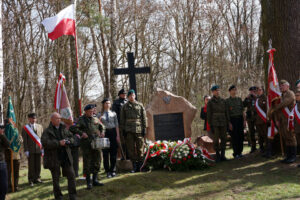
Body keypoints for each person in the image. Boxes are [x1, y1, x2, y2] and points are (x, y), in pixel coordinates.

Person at [41, 112, 77, 200]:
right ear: (52, 120)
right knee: (56, 179)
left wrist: (68, 141)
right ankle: (58, 197)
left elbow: (72, 138)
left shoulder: (64, 128)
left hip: (65, 157)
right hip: (54, 158)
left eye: (60, 118)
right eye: (57, 118)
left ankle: (73, 196)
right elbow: (45, 143)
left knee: (71, 176)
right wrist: (58, 143)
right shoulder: (47, 131)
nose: (59, 120)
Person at [69, 104, 105, 189]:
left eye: (93, 111)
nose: (92, 112)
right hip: (86, 144)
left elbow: (102, 126)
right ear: (86, 111)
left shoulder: (95, 118)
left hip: (96, 142)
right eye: (90, 111)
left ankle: (95, 180)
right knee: (87, 162)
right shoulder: (81, 120)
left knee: (97, 160)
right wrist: (82, 133)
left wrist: (102, 132)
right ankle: (88, 182)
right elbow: (72, 128)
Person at [120, 89, 147, 173]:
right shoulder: (124, 106)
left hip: (139, 129)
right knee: (130, 149)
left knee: (140, 148)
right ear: (128, 97)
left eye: (133, 95)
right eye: (130, 95)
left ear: (135, 96)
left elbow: (143, 118)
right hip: (129, 130)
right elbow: (122, 119)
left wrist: (144, 129)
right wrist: (123, 130)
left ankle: (141, 166)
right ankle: (134, 166)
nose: (132, 97)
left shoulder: (140, 105)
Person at [271, 80, 296, 164]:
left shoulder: (290, 93)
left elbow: (285, 103)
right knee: (286, 138)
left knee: (291, 137)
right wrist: (277, 119)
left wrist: (276, 107)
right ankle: (288, 156)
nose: (281, 87)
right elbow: (278, 111)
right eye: (280, 86)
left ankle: (293, 156)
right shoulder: (280, 96)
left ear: (287, 86)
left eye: (283, 85)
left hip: (289, 120)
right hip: (282, 121)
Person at [207, 85, 230, 162]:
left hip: (223, 122)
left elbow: (227, 112)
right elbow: (209, 114)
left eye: (218, 90)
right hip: (215, 123)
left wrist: (228, 122)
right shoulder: (210, 102)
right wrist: (210, 124)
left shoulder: (223, 101)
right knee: (216, 140)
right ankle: (217, 155)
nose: (217, 92)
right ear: (213, 92)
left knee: (224, 138)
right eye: (216, 90)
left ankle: (223, 155)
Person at [99, 98, 120, 178]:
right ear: (103, 105)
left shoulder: (113, 114)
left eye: (109, 103)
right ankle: (107, 171)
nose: (107, 105)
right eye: (106, 103)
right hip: (105, 133)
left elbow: (117, 125)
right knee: (105, 153)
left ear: (110, 105)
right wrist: (100, 133)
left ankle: (113, 170)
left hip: (113, 133)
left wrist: (117, 135)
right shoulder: (100, 114)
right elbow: (98, 125)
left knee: (113, 152)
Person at [21, 113, 43, 186]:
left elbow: (41, 138)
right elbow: (25, 140)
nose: (34, 120)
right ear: (29, 119)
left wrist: (43, 148)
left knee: (38, 165)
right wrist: (26, 150)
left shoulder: (40, 127)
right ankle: (31, 180)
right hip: (30, 150)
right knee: (31, 166)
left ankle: (37, 178)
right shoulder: (25, 128)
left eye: (35, 118)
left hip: (38, 149)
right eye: (32, 118)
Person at [226, 85, 245, 158]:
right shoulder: (227, 101)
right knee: (234, 137)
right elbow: (227, 113)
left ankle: (240, 152)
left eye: (235, 90)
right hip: (232, 120)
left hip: (240, 119)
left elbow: (242, 110)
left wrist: (244, 120)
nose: (234, 91)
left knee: (241, 136)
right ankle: (236, 153)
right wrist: (229, 123)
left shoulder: (239, 99)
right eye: (233, 90)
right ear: (230, 91)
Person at [112, 89, 128, 159]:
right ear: (120, 94)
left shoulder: (128, 101)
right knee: (122, 141)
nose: (124, 95)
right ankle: (122, 156)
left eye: (125, 94)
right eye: (123, 94)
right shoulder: (116, 103)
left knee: (128, 141)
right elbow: (114, 115)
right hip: (120, 125)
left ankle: (128, 155)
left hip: (128, 124)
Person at [243, 86, 258, 153]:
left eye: (254, 91)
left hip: (257, 117)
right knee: (251, 132)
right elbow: (243, 105)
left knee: (260, 132)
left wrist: (255, 96)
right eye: (251, 91)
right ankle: (253, 147)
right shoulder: (248, 98)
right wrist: (247, 98)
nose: (252, 92)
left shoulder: (258, 97)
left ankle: (261, 146)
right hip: (250, 118)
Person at [255, 86, 268, 154]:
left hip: (264, 120)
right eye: (258, 90)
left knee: (265, 135)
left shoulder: (265, 98)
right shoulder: (257, 99)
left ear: (263, 91)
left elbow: (267, 109)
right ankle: (262, 149)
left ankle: (268, 150)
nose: (259, 91)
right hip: (258, 120)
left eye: (260, 90)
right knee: (260, 135)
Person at [0, 125, 9, 200]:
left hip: (1, 163)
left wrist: (2, 135)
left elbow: (7, 144)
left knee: (4, 186)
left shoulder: (1, 137)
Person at [294, 89, 300, 157]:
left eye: (298, 95)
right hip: (297, 127)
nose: (296, 96)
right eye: (295, 95)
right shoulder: (296, 104)